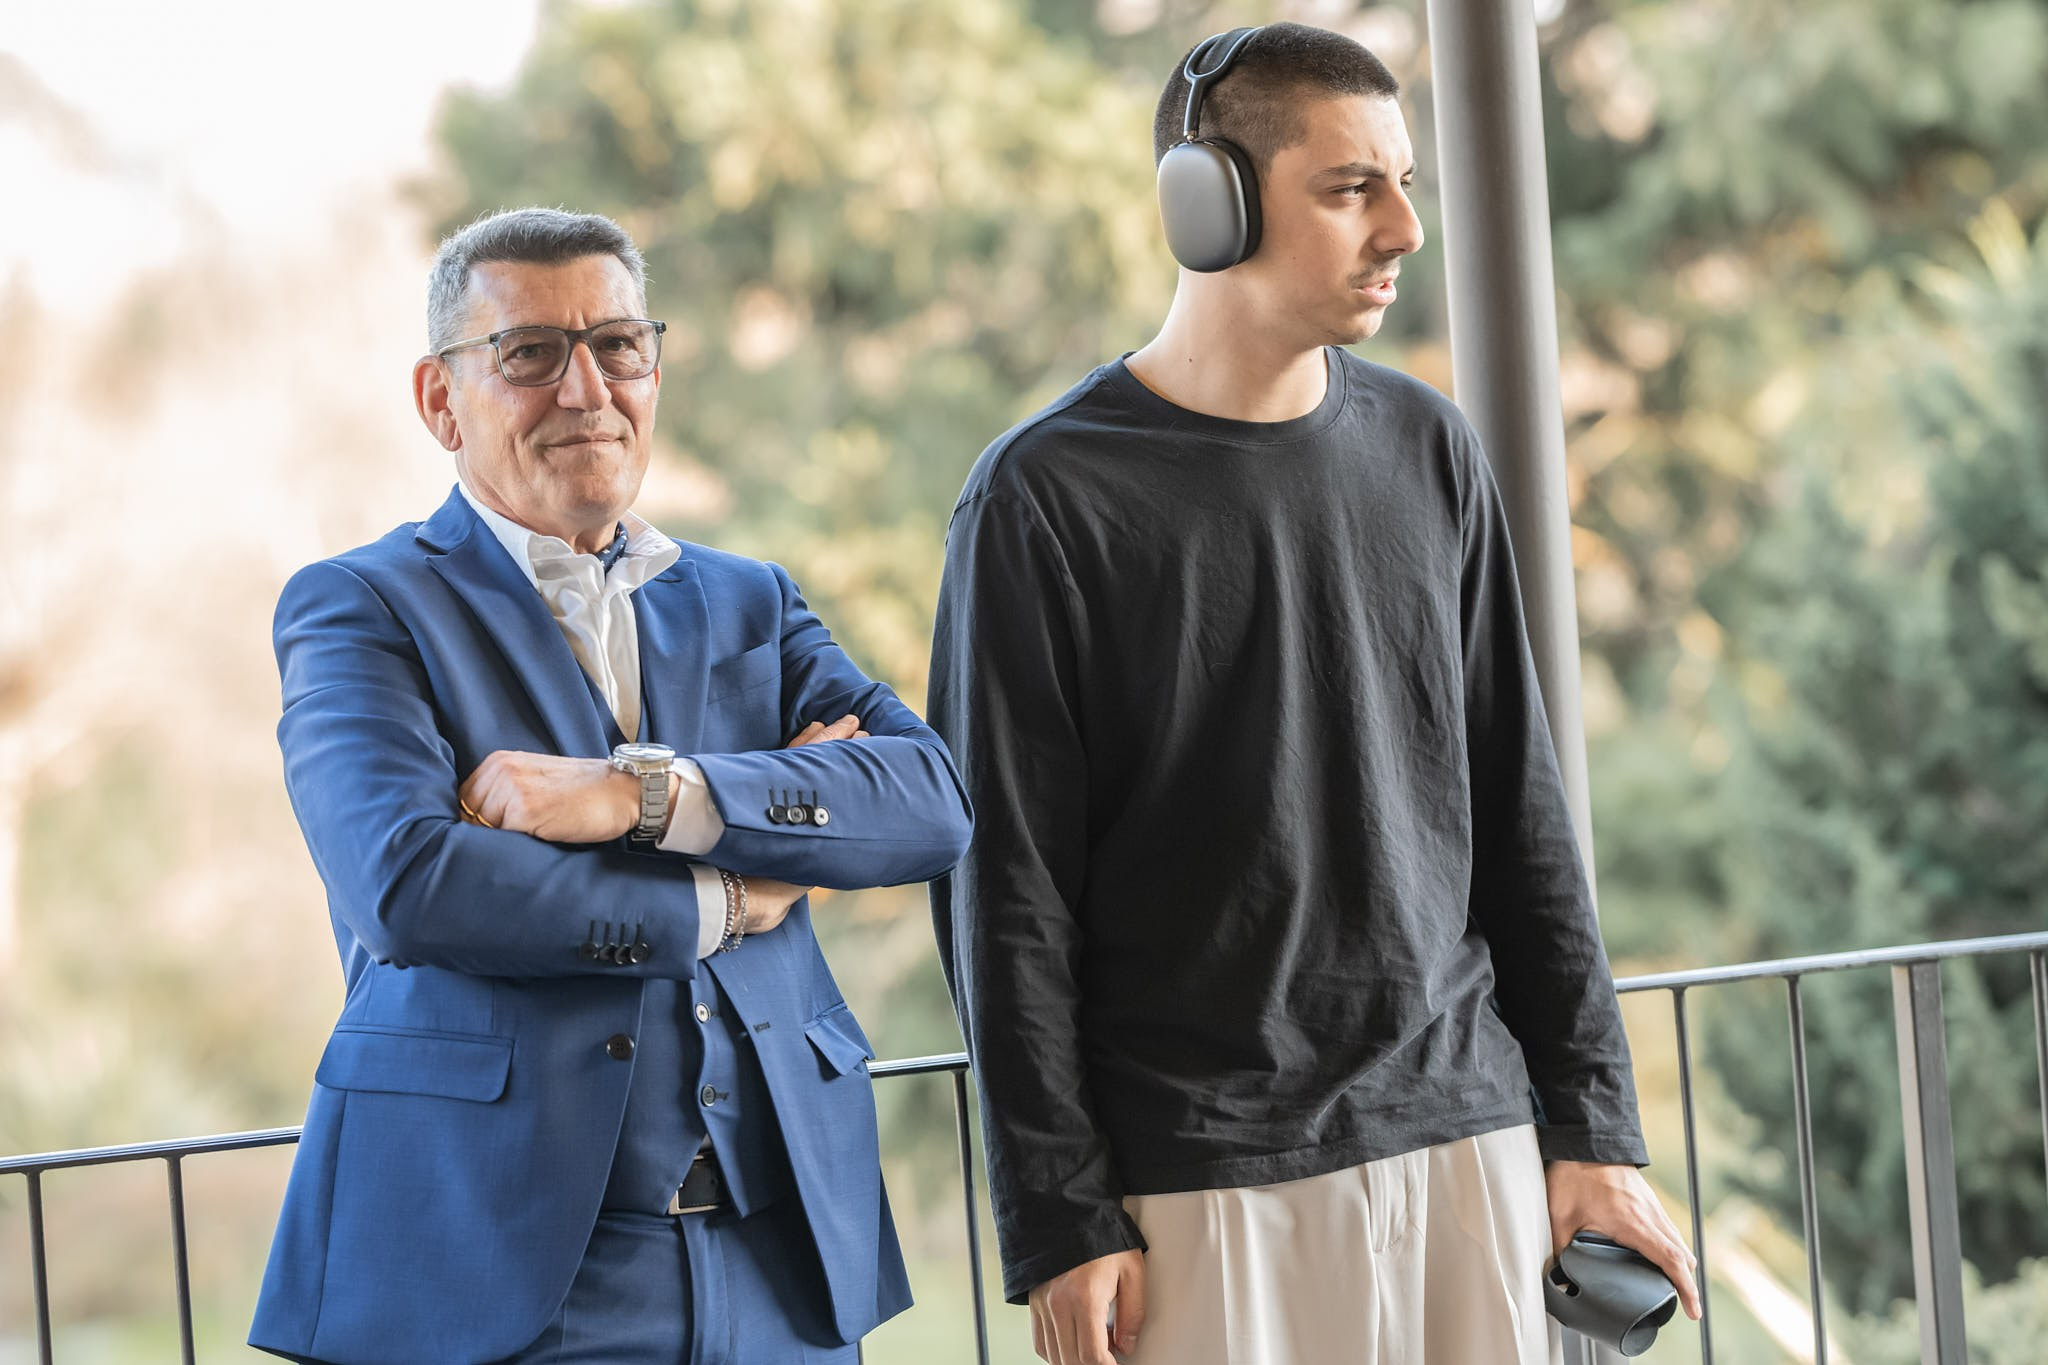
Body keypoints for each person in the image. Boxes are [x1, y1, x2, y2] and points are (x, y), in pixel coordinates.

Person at [928, 24, 1700, 1365]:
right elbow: (1006, 892)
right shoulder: (1041, 499)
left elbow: (1522, 819)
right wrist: (1059, 1215)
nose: (1403, 228)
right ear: (1207, 202)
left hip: (1466, 1142)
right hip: (1203, 1190)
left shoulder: (1429, 446)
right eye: (1350, 189)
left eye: (1404, 183)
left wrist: (1594, 1132)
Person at [250, 207, 972, 1365]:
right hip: (503, 1268)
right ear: (441, 400)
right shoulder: (359, 607)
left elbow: (930, 801)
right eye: (530, 353)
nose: (585, 390)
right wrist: (721, 901)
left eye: (618, 346)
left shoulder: (749, 600)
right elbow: (411, 885)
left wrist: (651, 796)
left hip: (780, 1259)